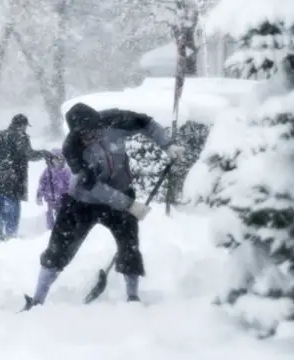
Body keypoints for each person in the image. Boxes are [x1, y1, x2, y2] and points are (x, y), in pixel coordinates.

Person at [21, 102, 185, 311]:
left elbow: (146, 123)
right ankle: (37, 300)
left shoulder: (115, 120)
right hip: (81, 201)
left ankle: (132, 298)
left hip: (120, 190)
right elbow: (92, 186)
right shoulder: (71, 148)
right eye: (83, 136)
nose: (88, 139)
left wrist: (167, 144)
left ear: (98, 124)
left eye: (91, 133)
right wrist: (130, 205)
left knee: (129, 245)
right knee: (58, 249)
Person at [0, 114, 53, 242]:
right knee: (13, 205)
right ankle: (10, 236)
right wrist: (43, 153)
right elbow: (29, 154)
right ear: (23, 125)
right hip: (14, 178)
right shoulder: (21, 137)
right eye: (25, 126)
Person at [36, 149, 72, 230]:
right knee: (50, 214)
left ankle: (62, 229)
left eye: (57, 159)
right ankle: (50, 230)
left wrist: (70, 196)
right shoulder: (47, 171)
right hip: (50, 199)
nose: (54, 161)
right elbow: (42, 183)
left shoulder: (66, 172)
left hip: (63, 199)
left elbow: (70, 185)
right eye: (53, 159)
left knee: (62, 214)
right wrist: (39, 195)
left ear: (62, 159)